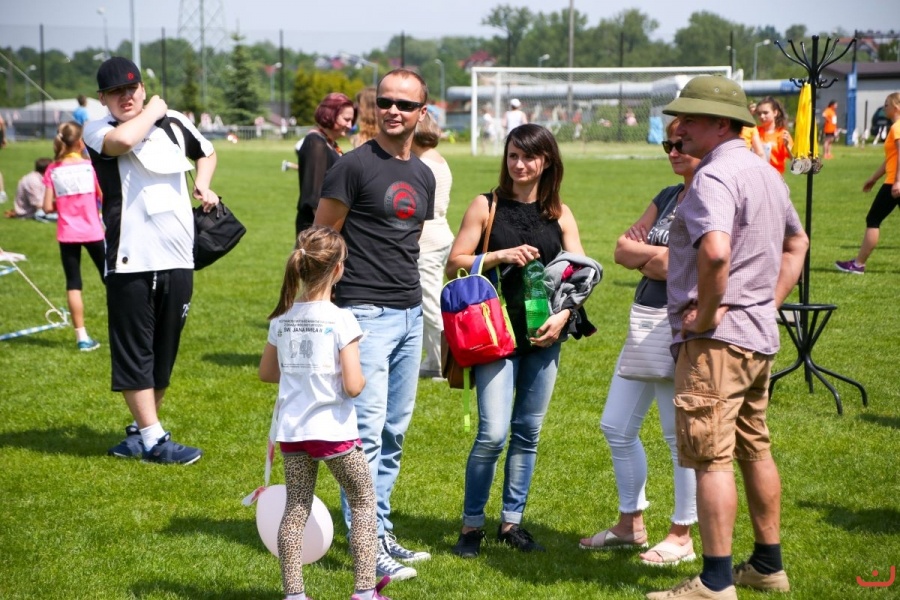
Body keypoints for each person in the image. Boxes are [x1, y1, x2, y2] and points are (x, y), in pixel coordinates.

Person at [646, 75, 808, 600]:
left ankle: (715, 582)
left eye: (691, 119)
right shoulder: (765, 173)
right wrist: (768, 302)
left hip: (717, 341)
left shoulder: (713, 177)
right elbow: (798, 242)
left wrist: (709, 315)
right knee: (754, 447)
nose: (680, 129)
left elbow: (715, 252)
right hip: (756, 336)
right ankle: (767, 565)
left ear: (721, 124)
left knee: (710, 457)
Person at [313, 68, 436, 582]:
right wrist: (319, 310)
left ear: (422, 112)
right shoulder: (352, 167)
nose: (393, 111)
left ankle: (380, 530)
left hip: (410, 314)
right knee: (364, 437)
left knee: (394, 432)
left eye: (404, 104)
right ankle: (368, 547)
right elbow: (319, 239)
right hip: (363, 315)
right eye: (385, 101)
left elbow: (406, 243)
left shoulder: (424, 175)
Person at [447, 123, 585, 558]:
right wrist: (499, 255)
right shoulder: (486, 205)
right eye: (513, 156)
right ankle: (471, 526)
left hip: (544, 336)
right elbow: (455, 262)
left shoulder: (560, 214)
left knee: (527, 431)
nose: (519, 164)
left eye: (529, 157)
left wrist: (564, 316)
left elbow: (580, 274)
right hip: (494, 335)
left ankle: (512, 523)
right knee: (492, 433)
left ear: (547, 162)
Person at [83, 56, 219, 465]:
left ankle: (141, 433)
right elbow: (124, 142)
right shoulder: (98, 130)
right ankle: (154, 440)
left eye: (132, 88)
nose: (126, 96)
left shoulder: (174, 123)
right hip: (130, 260)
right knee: (134, 352)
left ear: (142, 87)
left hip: (178, 256)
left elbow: (207, 152)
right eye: (115, 92)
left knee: (164, 351)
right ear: (103, 98)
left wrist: (204, 185)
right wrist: (155, 109)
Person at [578, 117, 698, 566]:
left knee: (676, 436)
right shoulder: (667, 196)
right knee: (616, 425)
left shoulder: (710, 196)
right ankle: (631, 524)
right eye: (668, 144)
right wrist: (656, 258)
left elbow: (684, 264)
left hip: (680, 326)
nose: (673, 151)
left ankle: (682, 534)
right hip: (644, 322)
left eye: (682, 143)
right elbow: (621, 250)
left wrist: (650, 258)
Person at [258, 225, 391, 600]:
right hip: (334, 432)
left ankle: (294, 595)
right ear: (338, 269)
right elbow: (353, 385)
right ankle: (364, 591)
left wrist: (299, 371)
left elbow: (267, 373)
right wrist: (362, 375)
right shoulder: (342, 319)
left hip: (293, 432)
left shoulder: (282, 318)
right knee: (363, 502)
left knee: (295, 508)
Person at [42, 122, 105, 351]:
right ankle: (125, 328)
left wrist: (62, 205)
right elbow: (103, 196)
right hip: (93, 231)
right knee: (111, 279)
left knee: (74, 283)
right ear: (80, 142)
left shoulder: (53, 169)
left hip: (67, 234)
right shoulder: (90, 167)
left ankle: (81, 337)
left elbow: (46, 206)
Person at [835, 92, 900, 275]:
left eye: (886, 105)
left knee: (873, 219)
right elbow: (891, 159)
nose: (884, 108)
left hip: (894, 184)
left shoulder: (897, 127)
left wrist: (897, 181)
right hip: (893, 180)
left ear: (896, 107)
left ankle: (858, 264)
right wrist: (873, 178)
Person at [412, 111, 454, 379]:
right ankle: (433, 359)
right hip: (442, 235)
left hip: (426, 241)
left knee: (430, 306)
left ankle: (442, 363)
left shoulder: (421, 164)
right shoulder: (440, 159)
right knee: (431, 302)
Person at [290, 93, 355, 235]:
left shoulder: (328, 142)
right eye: (346, 119)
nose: (350, 125)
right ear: (330, 115)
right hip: (318, 230)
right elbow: (315, 197)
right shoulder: (315, 143)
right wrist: (325, 235)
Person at [756, 97, 793, 174]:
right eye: (759, 113)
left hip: (775, 176)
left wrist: (787, 147)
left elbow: (794, 160)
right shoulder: (754, 131)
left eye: (765, 113)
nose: (762, 116)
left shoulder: (782, 134)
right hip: (756, 175)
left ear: (775, 113)